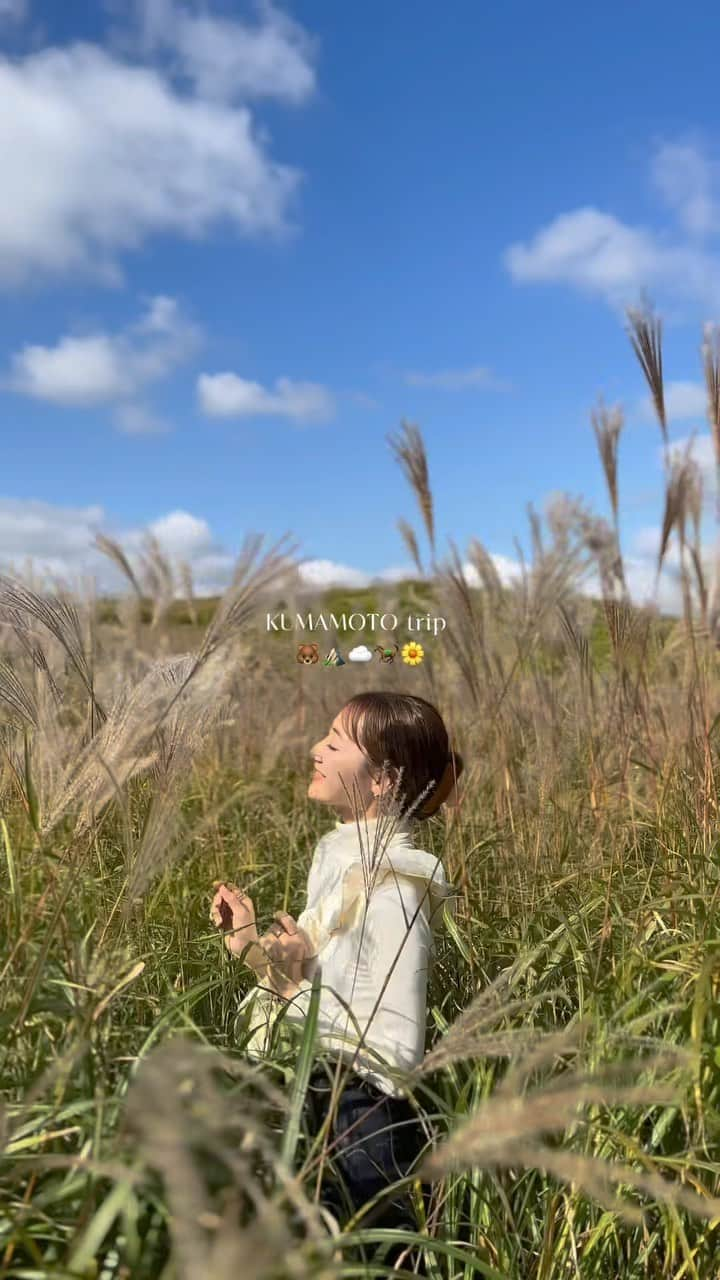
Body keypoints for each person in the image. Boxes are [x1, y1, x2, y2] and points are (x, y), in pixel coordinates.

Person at [210, 691, 464, 1271]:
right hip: (325, 1106)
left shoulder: (395, 891)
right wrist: (252, 944)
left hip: (362, 1131)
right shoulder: (347, 873)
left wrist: (293, 990)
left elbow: (395, 1052)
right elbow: (319, 993)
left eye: (333, 741)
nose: (313, 750)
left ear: (383, 779)